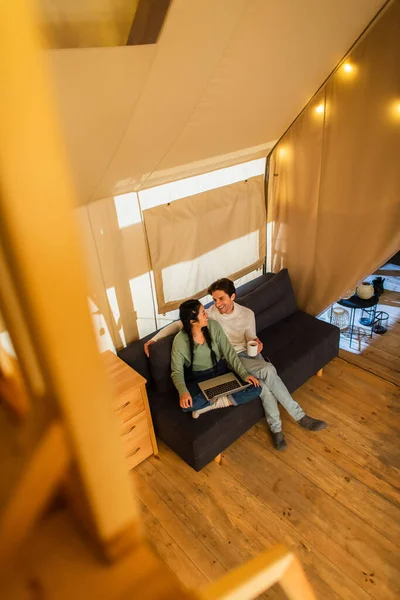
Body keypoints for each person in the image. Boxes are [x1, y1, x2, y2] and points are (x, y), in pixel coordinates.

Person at [145, 278, 327, 450]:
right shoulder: (212, 317)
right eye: (214, 299)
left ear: (232, 296)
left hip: (248, 354)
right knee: (268, 372)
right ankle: (293, 420)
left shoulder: (247, 314)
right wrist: (154, 339)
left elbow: (251, 337)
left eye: (221, 298)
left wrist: (256, 341)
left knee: (263, 383)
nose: (217, 304)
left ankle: (279, 428)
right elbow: (181, 325)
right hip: (230, 358)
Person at [172, 299, 261, 418]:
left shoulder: (214, 326)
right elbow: (177, 372)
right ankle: (222, 396)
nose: (206, 315)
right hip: (199, 379)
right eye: (203, 313)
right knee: (186, 405)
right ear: (193, 321)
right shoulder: (179, 341)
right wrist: (183, 392)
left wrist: (244, 374)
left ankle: (213, 404)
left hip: (221, 371)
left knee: (256, 388)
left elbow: (229, 352)